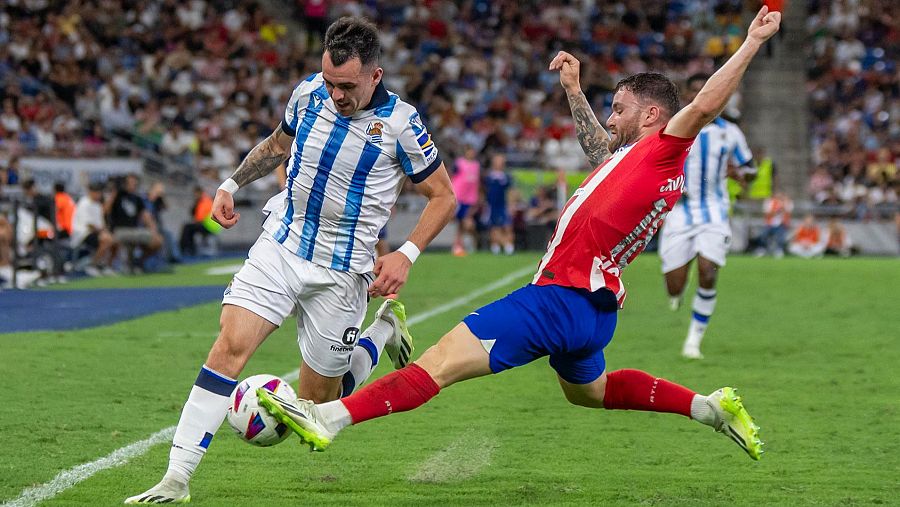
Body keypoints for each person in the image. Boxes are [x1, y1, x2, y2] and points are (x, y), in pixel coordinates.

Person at [257, 6, 780, 467]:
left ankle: (328, 417)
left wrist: (752, 42)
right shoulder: (638, 162)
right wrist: (574, 90)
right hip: (594, 313)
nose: (611, 119)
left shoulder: (665, 147)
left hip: (560, 297)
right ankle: (708, 407)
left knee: (438, 362)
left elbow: (704, 106)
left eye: (619, 110)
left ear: (652, 115)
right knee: (592, 392)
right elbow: (601, 152)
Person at [126, 17, 456, 504]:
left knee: (320, 400)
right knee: (230, 345)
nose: (336, 95)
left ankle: (383, 328)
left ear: (375, 76)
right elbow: (277, 146)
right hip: (283, 242)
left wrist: (405, 253)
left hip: (344, 270)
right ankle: (177, 478)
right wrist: (231, 183)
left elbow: (444, 197)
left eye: (347, 86)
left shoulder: (402, 125)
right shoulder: (308, 95)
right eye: (329, 82)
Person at [658, 73, 756, 359]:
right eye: (696, 91)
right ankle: (677, 291)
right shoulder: (675, 128)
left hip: (715, 210)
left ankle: (693, 342)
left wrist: (740, 173)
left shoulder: (731, 133)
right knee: (674, 285)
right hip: (679, 212)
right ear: (689, 96)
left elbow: (750, 168)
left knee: (708, 272)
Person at [106, 174, 163, 272]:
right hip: (119, 229)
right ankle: (110, 266)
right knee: (123, 239)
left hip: (134, 230)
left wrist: (154, 230)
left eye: (135, 183)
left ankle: (138, 262)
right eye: (130, 183)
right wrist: (114, 193)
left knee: (158, 241)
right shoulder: (118, 195)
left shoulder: (137, 198)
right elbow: (106, 210)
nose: (133, 185)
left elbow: (146, 216)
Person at [71, 181, 118, 275]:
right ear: (91, 192)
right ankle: (92, 265)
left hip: (95, 232)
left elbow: (101, 224)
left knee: (116, 241)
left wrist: (105, 231)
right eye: (97, 192)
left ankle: (106, 265)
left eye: (99, 192)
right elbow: (89, 225)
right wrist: (103, 233)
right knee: (106, 240)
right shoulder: (84, 203)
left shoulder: (97, 205)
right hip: (82, 234)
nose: (99, 194)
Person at [451, 145, 480, 256]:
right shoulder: (459, 163)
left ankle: (468, 244)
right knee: (460, 224)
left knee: (468, 224)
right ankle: (459, 246)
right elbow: (452, 175)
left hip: (470, 199)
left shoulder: (476, 165)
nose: (471, 153)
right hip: (459, 197)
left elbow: (477, 183)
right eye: (469, 151)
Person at [484, 152, 514, 255]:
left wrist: (511, 205)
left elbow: (510, 191)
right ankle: (496, 246)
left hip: (503, 205)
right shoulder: (489, 176)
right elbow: (484, 191)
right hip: (492, 205)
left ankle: (508, 246)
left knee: (507, 226)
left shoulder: (506, 176)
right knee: (494, 227)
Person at [178, 186, 216, 257]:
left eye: (195, 194)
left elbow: (199, 217)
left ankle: (184, 249)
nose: (195, 196)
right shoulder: (205, 200)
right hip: (208, 225)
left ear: (199, 193)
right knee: (190, 229)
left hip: (209, 226)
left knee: (187, 227)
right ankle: (190, 248)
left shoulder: (205, 201)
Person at [758, 191, 793, 258]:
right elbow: (767, 213)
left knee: (781, 236)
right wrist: (776, 211)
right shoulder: (769, 202)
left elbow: (788, 211)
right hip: (770, 223)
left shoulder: (786, 202)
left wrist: (783, 205)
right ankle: (762, 249)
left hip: (781, 224)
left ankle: (779, 250)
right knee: (763, 235)